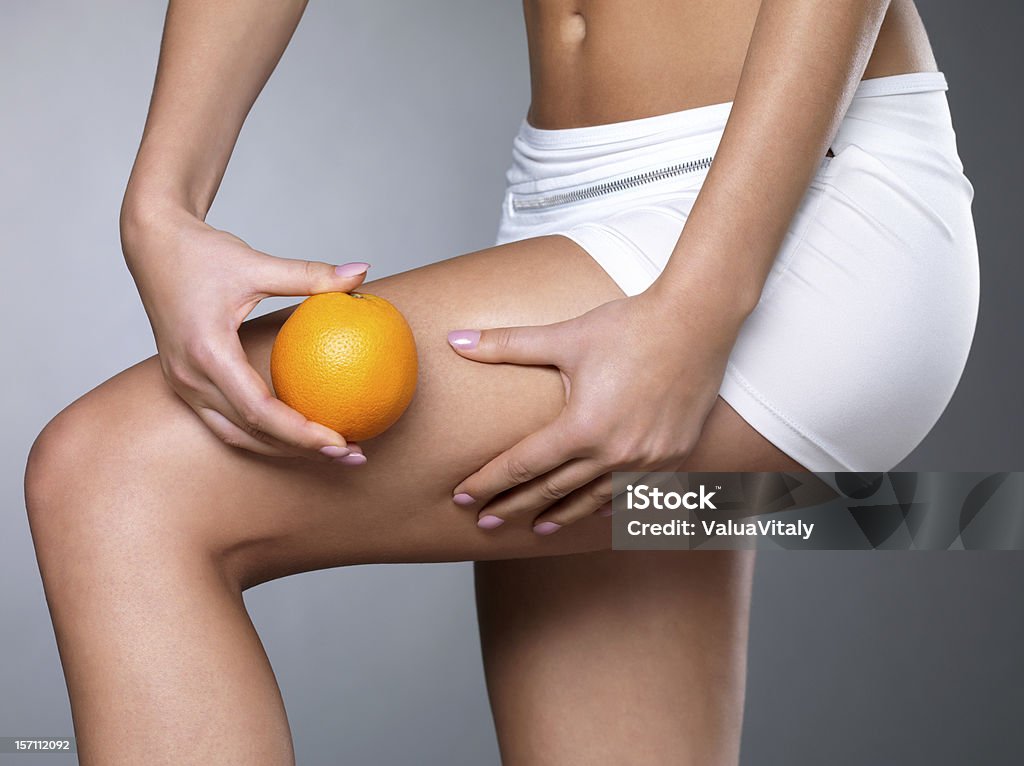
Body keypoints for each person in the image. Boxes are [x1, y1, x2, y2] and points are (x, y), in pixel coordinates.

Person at [24, 0, 978, 763]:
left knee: (117, 482)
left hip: (800, 206)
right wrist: (162, 206)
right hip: (573, 199)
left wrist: (701, 304)